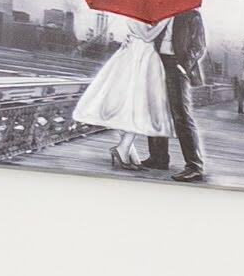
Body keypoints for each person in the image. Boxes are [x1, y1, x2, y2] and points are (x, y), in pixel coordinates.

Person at [69, 16, 177, 171]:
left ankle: (127, 150)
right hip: (137, 58)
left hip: (144, 56)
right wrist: (166, 21)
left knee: (138, 107)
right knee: (134, 105)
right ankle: (123, 149)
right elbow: (148, 36)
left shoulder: (142, 11)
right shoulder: (135, 14)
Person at [153, 5, 209, 181]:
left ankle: (195, 166)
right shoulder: (160, 13)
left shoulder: (192, 16)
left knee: (182, 115)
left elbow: (199, 46)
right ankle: (159, 158)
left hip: (177, 66)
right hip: (157, 63)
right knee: (156, 111)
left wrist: (183, 66)